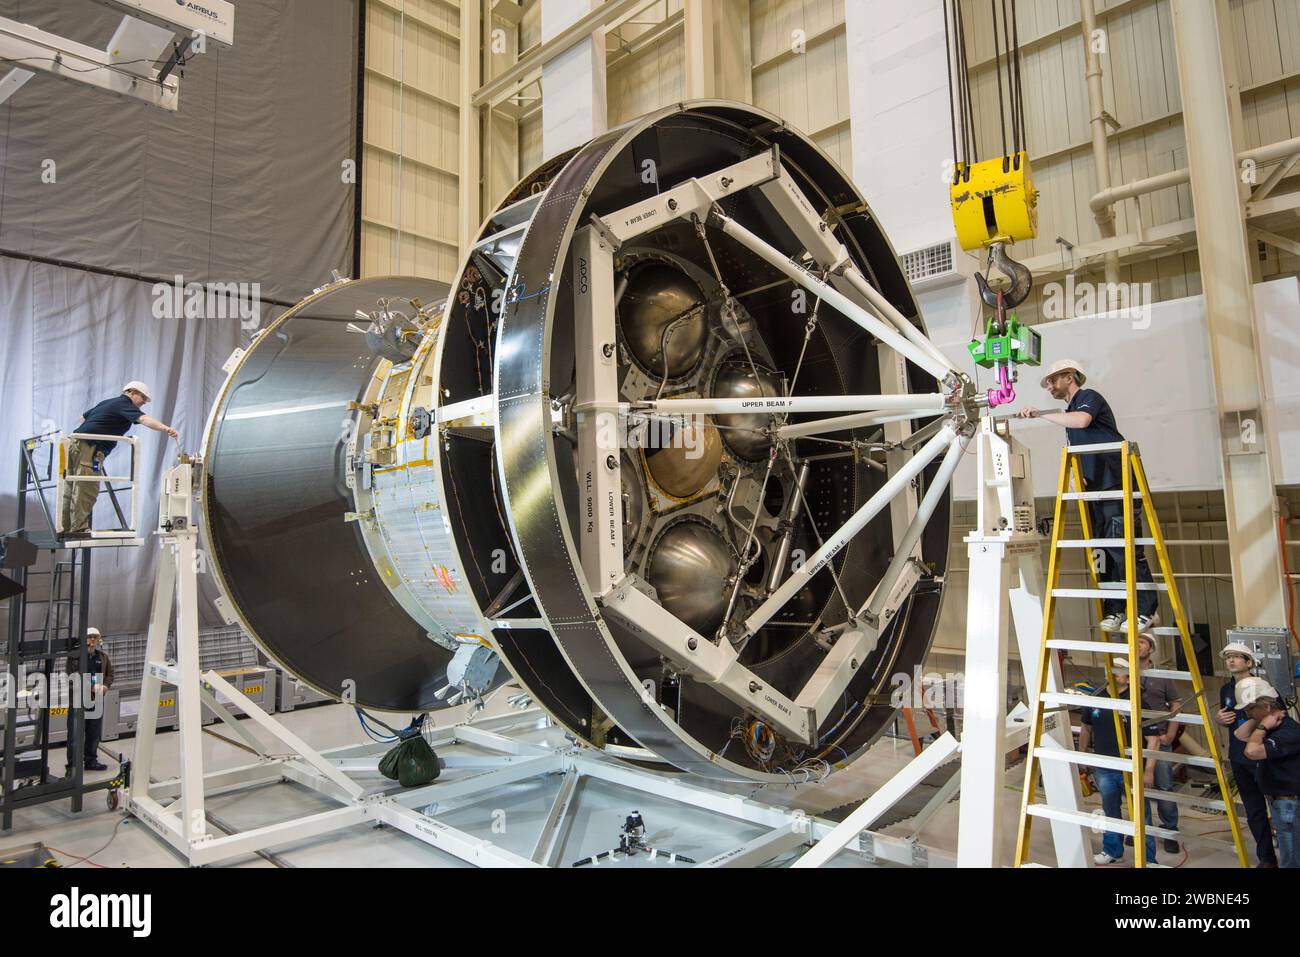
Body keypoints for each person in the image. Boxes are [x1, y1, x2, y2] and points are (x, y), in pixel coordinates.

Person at [1016, 359, 1159, 632]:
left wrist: (1039, 414)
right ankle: (1117, 609)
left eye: (1052, 380)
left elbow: (1082, 421)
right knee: (1102, 552)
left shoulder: (1087, 399)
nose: (1048, 386)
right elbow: (1078, 443)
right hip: (1094, 492)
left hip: (1116, 487)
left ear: (1069, 376)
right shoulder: (1070, 414)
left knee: (1123, 547)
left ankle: (1146, 609)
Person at [61, 381, 178, 537]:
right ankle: (78, 529)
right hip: (89, 447)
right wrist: (166, 429)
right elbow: (143, 419)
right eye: (143, 398)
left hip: (74, 444)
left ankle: (66, 527)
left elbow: (83, 418)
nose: (143, 402)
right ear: (132, 392)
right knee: (87, 487)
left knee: (71, 486)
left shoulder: (108, 402)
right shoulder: (124, 404)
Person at [1078, 656, 1159, 865]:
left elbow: (1153, 738)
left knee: (1142, 813)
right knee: (1109, 810)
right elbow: (1086, 728)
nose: (1112, 673)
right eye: (1110, 669)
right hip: (1105, 767)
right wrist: (1083, 756)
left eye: (1118, 670)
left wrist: (1148, 770)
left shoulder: (1138, 700)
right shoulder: (1096, 697)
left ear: (1129, 677)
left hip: (1131, 768)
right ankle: (1112, 850)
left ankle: (1148, 859)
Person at [1217, 646, 1278, 866]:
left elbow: (1275, 716)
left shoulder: (1262, 687)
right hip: (1238, 756)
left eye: (1236, 657)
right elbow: (1227, 717)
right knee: (1254, 810)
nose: (1231, 661)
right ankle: (1267, 858)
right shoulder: (1225, 690)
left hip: (1263, 756)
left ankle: (1290, 854)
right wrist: (1219, 719)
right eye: (1228, 658)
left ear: (1249, 662)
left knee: (1279, 807)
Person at [1241, 691, 1300, 868]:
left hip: (1290, 803)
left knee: (1293, 855)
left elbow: (1251, 751)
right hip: (1278, 801)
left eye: (1251, 709)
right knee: (1289, 854)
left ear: (1267, 706)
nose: (1248, 713)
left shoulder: (1289, 732)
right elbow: (1240, 735)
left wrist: (1263, 726)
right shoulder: (1271, 728)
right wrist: (1262, 722)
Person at [1135, 633, 1183, 853]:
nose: (1137, 644)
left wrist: (1171, 733)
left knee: (1164, 786)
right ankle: (1142, 828)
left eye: (1142, 641)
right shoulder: (1123, 672)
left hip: (1160, 738)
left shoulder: (1162, 675)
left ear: (1151, 648)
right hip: (1134, 739)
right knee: (1137, 788)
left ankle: (1170, 830)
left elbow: (1175, 702)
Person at [64, 626, 114, 773]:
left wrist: (105, 686)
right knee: (74, 735)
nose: (92, 640)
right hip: (78, 702)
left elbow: (110, 674)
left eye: (95, 637)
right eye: (90, 637)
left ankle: (91, 760)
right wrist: (90, 687)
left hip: (96, 702)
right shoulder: (75, 657)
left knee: (93, 733)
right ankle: (72, 766)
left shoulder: (103, 657)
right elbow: (71, 677)